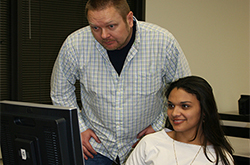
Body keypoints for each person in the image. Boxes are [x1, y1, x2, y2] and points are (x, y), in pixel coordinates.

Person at [50, 0, 191, 164]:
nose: (103, 35)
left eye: (111, 26)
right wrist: (78, 128)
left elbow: (183, 91)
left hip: (147, 144)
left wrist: (159, 126)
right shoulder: (74, 44)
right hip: (96, 147)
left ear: (129, 19)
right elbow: (60, 92)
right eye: (95, 27)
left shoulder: (163, 42)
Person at [125, 76, 235, 165]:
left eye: (185, 106)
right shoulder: (150, 143)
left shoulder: (219, 158)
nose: (174, 113)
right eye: (171, 105)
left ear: (204, 111)